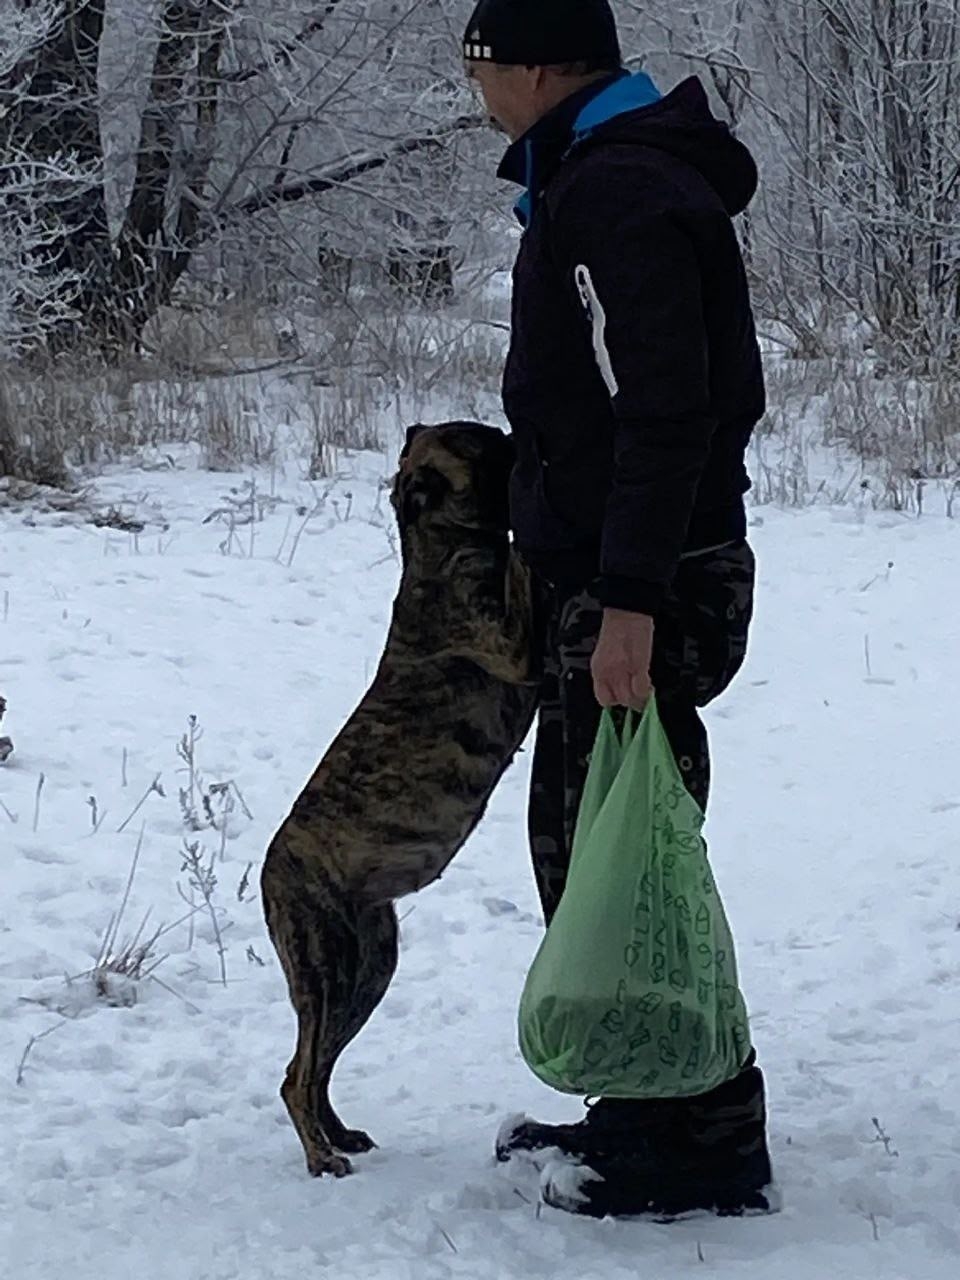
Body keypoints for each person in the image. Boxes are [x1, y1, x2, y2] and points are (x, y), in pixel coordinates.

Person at [462, 0, 774, 1219]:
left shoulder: (619, 192)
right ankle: (650, 1103)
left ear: (542, 67)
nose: (477, 90)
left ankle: (703, 1134)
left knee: (620, 850)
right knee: (604, 838)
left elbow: (666, 407)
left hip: (645, 576)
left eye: (482, 65)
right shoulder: (601, 177)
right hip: (625, 565)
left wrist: (631, 598)